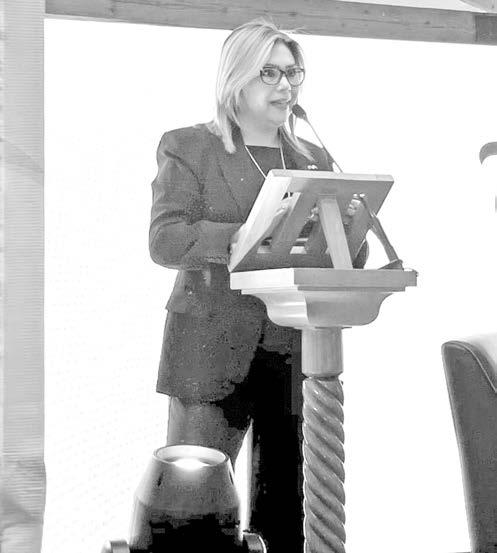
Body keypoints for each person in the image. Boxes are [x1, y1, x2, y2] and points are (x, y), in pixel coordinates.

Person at [149, 18, 366, 553]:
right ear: (236, 78)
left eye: (293, 73)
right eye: (269, 72)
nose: (285, 85)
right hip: (209, 353)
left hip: (294, 353)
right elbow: (165, 239)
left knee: (286, 511)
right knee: (195, 516)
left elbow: (338, 258)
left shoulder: (311, 159)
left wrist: (351, 228)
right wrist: (242, 235)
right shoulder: (188, 146)